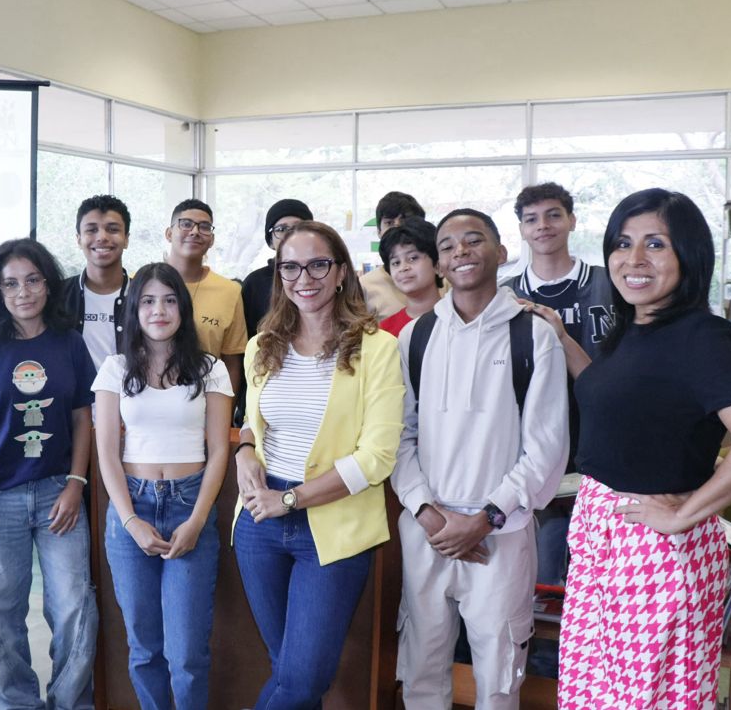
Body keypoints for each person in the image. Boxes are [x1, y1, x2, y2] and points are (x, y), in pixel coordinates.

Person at [556, 189, 731, 710]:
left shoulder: (699, 336)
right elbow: (620, 395)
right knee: (595, 691)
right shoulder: (632, 330)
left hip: (653, 546)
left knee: (645, 697)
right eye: (622, 243)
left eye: (655, 244)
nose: (633, 260)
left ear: (689, 255)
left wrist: (687, 513)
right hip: (602, 534)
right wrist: (562, 340)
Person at [393, 208, 569, 710]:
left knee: (498, 673)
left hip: (500, 533)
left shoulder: (531, 335)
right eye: (448, 246)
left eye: (474, 240)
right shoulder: (417, 336)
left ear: (501, 250)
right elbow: (399, 437)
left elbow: (547, 447)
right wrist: (427, 513)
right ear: (439, 265)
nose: (461, 252)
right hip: (426, 528)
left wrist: (486, 518)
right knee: (422, 667)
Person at [233, 220, 405, 709]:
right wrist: (246, 448)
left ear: (340, 272)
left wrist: (290, 500)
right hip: (258, 523)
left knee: (303, 678)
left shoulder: (377, 348)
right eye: (290, 266)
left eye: (317, 264)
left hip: (332, 523)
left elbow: (377, 457)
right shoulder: (262, 346)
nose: (303, 277)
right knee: (287, 670)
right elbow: (252, 421)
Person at [0, 238, 98, 710]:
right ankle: (17, 703)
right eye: (11, 283)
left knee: (74, 606)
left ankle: (69, 702)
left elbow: (82, 418)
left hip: (59, 493)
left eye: (33, 279)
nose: (23, 292)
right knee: (0, 612)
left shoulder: (70, 343)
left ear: (48, 284)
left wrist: (76, 485)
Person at [93, 262, 233, 710]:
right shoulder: (115, 370)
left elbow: (218, 453)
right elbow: (107, 456)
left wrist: (196, 521)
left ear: (183, 307)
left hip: (189, 506)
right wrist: (131, 521)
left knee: (187, 653)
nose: (159, 310)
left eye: (170, 300)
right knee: (144, 646)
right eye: (149, 300)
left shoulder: (210, 369)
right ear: (135, 309)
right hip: (131, 508)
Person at [503, 181, 614, 677]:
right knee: (531, 563)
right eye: (531, 218)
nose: (543, 226)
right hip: (522, 449)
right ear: (521, 228)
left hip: (597, 447)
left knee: (586, 567)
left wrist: (562, 339)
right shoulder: (505, 294)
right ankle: (535, 670)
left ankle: (580, 671)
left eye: (553, 215)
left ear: (571, 220)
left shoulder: (608, 284)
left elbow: (614, 379)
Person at [164, 198, 248, 396]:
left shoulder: (229, 291)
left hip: (206, 404)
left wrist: (225, 414)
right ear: (169, 234)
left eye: (204, 227)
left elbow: (232, 361)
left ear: (211, 239)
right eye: (185, 224)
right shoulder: (140, 283)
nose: (194, 231)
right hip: (146, 403)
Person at [61, 194, 132, 371]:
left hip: (131, 397)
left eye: (113, 229)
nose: (101, 237)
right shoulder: (57, 295)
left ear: (126, 239)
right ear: (78, 239)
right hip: (75, 399)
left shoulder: (145, 297)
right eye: (91, 230)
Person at [242, 198, 314, 337]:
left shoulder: (327, 275)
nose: (291, 234)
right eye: (281, 229)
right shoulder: (255, 283)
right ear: (270, 241)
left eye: (299, 227)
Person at [360, 191, 426, 321]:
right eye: (389, 223)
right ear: (379, 231)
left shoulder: (445, 280)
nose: (397, 229)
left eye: (405, 221)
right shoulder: (365, 285)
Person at [377, 219, 442, 338]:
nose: (403, 268)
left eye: (413, 258)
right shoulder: (385, 332)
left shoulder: (457, 319)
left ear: (438, 266)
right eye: (396, 263)